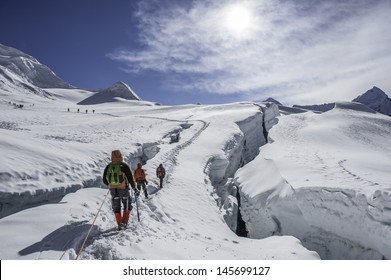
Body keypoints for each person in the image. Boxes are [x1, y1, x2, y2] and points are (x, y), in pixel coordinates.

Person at [103, 150, 138, 230]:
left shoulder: (109, 166)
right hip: (123, 189)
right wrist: (134, 187)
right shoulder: (124, 166)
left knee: (116, 206)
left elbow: (104, 180)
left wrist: (111, 184)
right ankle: (124, 222)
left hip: (112, 189)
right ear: (120, 156)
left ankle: (119, 223)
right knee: (126, 205)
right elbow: (130, 178)